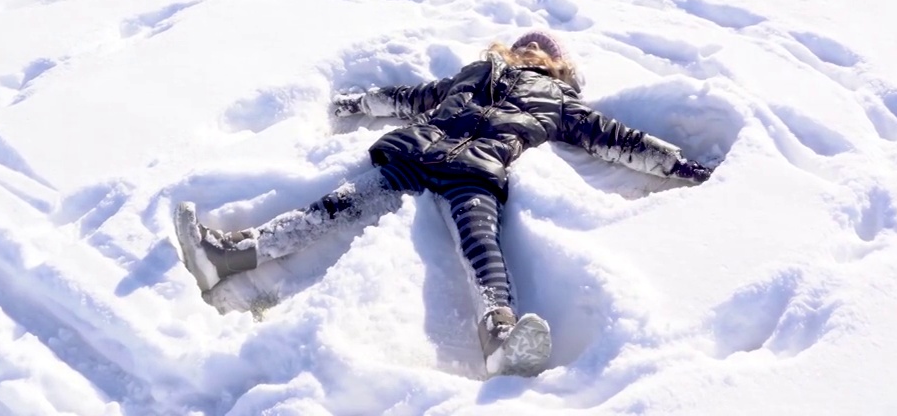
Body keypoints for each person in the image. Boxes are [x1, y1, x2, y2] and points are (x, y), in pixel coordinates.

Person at [172, 29, 715, 378]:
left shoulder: (564, 105)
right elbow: (413, 97)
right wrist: (359, 103)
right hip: (415, 150)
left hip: (474, 171)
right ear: (508, 48)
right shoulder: (476, 73)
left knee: (482, 246)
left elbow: (623, 141)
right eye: (527, 44)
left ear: (560, 68)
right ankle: (230, 255)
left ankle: (499, 333)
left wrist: (683, 167)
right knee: (335, 206)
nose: (535, 51)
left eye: (546, 51)